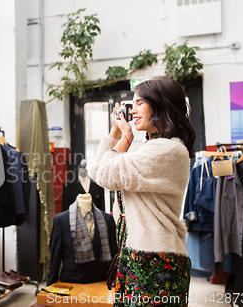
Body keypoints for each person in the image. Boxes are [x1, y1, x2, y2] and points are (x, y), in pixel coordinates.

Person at [88, 77, 196, 307]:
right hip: (142, 253)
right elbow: (104, 170)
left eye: (139, 103)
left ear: (159, 105)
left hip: (155, 258)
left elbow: (101, 172)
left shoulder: (165, 150)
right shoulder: (153, 148)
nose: (133, 110)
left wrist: (121, 134)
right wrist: (121, 133)